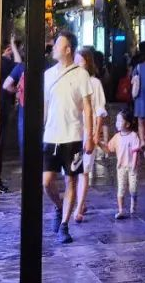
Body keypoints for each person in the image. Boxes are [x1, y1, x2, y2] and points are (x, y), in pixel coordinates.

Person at [42, 29, 95, 245]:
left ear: (68, 49)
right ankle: (58, 206)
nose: (53, 48)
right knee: (46, 182)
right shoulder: (48, 75)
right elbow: (45, 106)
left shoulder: (81, 74)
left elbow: (88, 109)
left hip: (73, 135)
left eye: (57, 44)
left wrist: (89, 136)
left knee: (71, 178)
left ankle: (64, 224)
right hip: (51, 135)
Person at [72, 46, 108, 223]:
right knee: (72, 170)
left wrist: (95, 134)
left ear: (88, 63)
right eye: (76, 60)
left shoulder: (94, 83)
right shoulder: (72, 82)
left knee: (84, 170)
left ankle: (79, 208)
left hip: (88, 131)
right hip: (73, 131)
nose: (78, 64)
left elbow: (100, 111)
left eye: (81, 61)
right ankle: (81, 201)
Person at [106, 107, 143, 219]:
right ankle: (121, 209)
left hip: (133, 168)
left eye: (119, 121)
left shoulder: (133, 136)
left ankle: (133, 203)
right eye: (116, 121)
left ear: (127, 124)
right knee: (121, 189)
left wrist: (135, 163)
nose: (117, 123)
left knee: (133, 188)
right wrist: (98, 143)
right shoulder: (116, 137)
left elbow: (136, 150)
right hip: (121, 167)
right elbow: (108, 148)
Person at [2, 40, 26, 171]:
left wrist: (17, 90)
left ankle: (26, 169)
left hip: (24, 109)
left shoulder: (20, 67)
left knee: (24, 141)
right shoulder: (46, 67)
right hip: (41, 111)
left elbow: (6, 85)